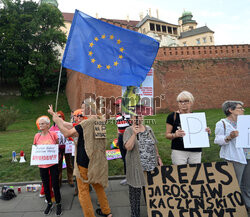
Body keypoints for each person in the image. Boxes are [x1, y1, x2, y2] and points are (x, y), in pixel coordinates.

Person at [48, 99, 112, 217]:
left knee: (83, 192)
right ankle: (107, 212)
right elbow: (70, 124)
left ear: (88, 109)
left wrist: (56, 121)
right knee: (98, 187)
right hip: (97, 161)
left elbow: (67, 133)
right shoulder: (100, 120)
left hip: (84, 162)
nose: (82, 111)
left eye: (83, 108)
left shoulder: (85, 123)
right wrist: (54, 116)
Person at [123, 113, 163, 217]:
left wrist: (158, 157)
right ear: (131, 118)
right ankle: (135, 214)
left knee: (151, 191)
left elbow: (154, 144)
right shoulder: (128, 130)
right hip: (136, 166)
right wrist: (134, 134)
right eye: (135, 116)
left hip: (150, 165)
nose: (138, 118)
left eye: (140, 116)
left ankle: (153, 212)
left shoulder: (148, 128)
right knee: (135, 193)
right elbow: (128, 147)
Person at [214, 100, 250, 212]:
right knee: (235, 184)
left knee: (247, 184)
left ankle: (247, 206)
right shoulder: (222, 123)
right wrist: (229, 136)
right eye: (240, 108)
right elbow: (218, 140)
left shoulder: (245, 122)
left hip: (248, 155)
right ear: (230, 110)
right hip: (235, 157)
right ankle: (233, 208)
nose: (243, 110)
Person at [165, 91, 211, 165]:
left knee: (195, 173)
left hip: (195, 151)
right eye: (180, 101)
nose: (183, 104)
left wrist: (206, 133)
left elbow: (200, 134)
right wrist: (175, 135)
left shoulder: (197, 117)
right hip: (179, 151)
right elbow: (167, 135)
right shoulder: (173, 116)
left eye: (186, 101)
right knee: (180, 173)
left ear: (191, 102)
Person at [33, 116, 62, 216]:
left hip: (53, 163)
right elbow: (35, 148)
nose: (40, 125)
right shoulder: (37, 136)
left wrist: (54, 154)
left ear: (48, 125)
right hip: (42, 164)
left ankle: (58, 203)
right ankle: (49, 203)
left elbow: (57, 146)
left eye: (43, 123)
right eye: (40, 124)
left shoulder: (53, 134)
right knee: (46, 185)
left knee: (55, 184)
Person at [50, 111, 74, 188]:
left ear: (63, 117)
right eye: (57, 116)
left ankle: (70, 180)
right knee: (58, 166)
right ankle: (59, 181)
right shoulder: (52, 128)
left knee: (69, 164)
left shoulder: (66, 125)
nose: (58, 118)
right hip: (58, 149)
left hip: (67, 148)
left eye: (60, 116)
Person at [115, 98, 131, 185]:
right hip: (121, 138)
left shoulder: (130, 115)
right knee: (124, 158)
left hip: (128, 138)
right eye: (118, 106)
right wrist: (118, 139)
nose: (118, 108)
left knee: (129, 158)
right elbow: (118, 128)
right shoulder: (118, 116)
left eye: (119, 105)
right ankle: (127, 177)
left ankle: (132, 177)